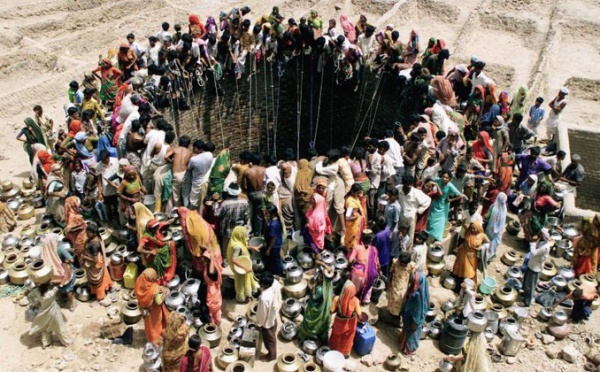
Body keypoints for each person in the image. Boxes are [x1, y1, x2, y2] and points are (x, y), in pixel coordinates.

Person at [27, 277, 71, 349]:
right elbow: (61, 283)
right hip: (54, 312)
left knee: (45, 328)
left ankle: (46, 343)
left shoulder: (36, 292)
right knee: (60, 327)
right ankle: (66, 342)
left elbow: (30, 298)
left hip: (43, 312)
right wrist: (59, 280)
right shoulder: (51, 293)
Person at [213, 183, 249, 266]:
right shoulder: (244, 202)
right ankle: (238, 260)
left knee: (226, 247)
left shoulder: (225, 203)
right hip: (239, 229)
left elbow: (216, 214)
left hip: (227, 230)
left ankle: (225, 261)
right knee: (238, 245)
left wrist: (215, 203)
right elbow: (246, 217)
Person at [298, 261, 334, 343]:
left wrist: (314, 287)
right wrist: (325, 265)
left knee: (309, 320)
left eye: (321, 276)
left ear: (323, 279)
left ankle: (308, 335)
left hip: (315, 307)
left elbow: (314, 297)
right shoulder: (328, 284)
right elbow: (317, 261)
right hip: (322, 307)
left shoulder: (320, 289)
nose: (318, 277)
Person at [41, 233, 77, 311]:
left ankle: (60, 302)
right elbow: (71, 260)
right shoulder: (60, 249)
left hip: (52, 276)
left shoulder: (43, 251)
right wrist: (68, 260)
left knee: (57, 288)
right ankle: (72, 303)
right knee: (68, 289)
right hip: (63, 274)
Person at [137, 219, 177, 285]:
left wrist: (176, 216)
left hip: (162, 248)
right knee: (158, 261)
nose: (156, 230)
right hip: (155, 253)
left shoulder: (157, 227)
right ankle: (162, 279)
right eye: (154, 229)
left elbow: (168, 222)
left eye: (156, 228)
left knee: (171, 244)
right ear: (150, 229)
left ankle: (168, 273)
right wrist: (150, 252)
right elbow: (139, 249)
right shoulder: (146, 236)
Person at [396, 174, 432, 249]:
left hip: (411, 217)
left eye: (410, 185)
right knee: (399, 235)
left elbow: (428, 200)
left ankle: (407, 254)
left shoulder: (416, 193)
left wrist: (418, 211)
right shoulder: (398, 188)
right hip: (400, 216)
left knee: (409, 237)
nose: (409, 187)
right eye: (407, 185)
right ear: (403, 183)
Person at [135, 268, 169, 346]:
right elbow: (159, 302)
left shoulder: (139, 283)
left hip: (144, 310)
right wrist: (163, 293)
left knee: (149, 325)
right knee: (156, 325)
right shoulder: (154, 289)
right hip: (154, 311)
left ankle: (150, 338)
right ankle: (156, 340)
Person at [399, 270, 430, 355]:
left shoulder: (419, 296)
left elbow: (419, 312)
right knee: (407, 330)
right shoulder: (416, 288)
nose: (412, 282)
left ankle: (409, 350)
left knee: (412, 334)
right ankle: (403, 344)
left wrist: (415, 322)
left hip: (414, 319)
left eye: (414, 281)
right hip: (409, 315)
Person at [426, 171, 462, 242]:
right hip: (435, 203)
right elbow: (429, 183)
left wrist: (450, 200)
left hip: (443, 206)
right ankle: (428, 235)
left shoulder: (450, 186)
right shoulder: (437, 180)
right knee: (431, 219)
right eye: (443, 177)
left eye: (447, 178)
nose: (444, 179)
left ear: (450, 179)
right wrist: (433, 193)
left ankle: (437, 237)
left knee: (440, 222)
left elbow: (460, 195)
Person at [329, 280, 361, 357]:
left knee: (336, 336)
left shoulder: (337, 299)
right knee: (347, 339)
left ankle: (333, 348)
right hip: (350, 325)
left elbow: (331, 311)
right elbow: (359, 315)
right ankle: (345, 353)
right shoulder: (356, 301)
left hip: (339, 324)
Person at [452, 221, 489, 288]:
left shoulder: (482, 235)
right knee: (460, 268)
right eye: (471, 228)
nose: (472, 230)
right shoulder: (468, 231)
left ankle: (467, 285)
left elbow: (488, 243)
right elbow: (464, 223)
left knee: (469, 271)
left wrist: (481, 247)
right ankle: (458, 283)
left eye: (474, 228)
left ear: (478, 228)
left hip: (472, 256)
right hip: (462, 252)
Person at [82, 222, 113, 300]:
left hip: (95, 264)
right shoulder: (96, 238)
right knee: (104, 275)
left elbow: (95, 261)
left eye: (88, 233)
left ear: (94, 233)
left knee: (97, 281)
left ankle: (100, 295)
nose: (87, 234)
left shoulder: (94, 244)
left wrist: (84, 256)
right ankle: (107, 287)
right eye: (87, 232)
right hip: (99, 259)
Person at [227, 226, 257, 303]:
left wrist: (253, 247)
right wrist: (245, 268)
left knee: (246, 281)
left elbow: (244, 246)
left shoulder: (235, 240)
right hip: (240, 268)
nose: (245, 235)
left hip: (242, 265)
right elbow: (234, 259)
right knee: (241, 283)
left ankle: (247, 295)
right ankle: (241, 298)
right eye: (243, 233)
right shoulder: (236, 247)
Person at [256, 272, 282, 362]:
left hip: (267, 321)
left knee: (269, 339)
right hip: (274, 313)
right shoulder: (275, 283)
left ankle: (271, 355)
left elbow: (263, 314)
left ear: (265, 285)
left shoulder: (264, 298)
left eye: (260, 283)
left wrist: (259, 324)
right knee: (273, 328)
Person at [348, 230, 379, 304]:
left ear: (361, 238)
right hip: (369, 274)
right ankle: (365, 300)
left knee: (354, 288)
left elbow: (350, 260)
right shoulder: (374, 249)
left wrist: (350, 266)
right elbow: (377, 264)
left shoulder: (357, 247)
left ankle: (353, 300)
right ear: (371, 240)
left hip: (358, 274)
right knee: (369, 287)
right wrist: (378, 272)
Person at [302, 179, 332, 255]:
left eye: (323, 188)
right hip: (316, 233)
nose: (321, 190)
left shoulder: (318, 211)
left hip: (317, 232)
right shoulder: (315, 210)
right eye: (319, 187)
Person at [523, 234, 552, 307]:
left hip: (535, 268)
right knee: (526, 281)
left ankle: (527, 302)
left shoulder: (544, 247)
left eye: (540, 235)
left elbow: (533, 253)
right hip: (531, 265)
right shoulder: (542, 242)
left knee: (531, 286)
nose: (539, 235)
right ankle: (525, 294)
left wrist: (533, 243)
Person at [387, 251, 414, 324]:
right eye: (402, 263)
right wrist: (389, 282)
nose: (403, 265)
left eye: (405, 264)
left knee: (400, 303)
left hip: (404, 288)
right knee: (392, 301)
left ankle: (397, 317)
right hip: (394, 285)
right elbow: (391, 272)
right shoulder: (395, 262)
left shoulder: (411, 266)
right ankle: (392, 315)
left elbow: (412, 277)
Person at [63, 196, 87, 265]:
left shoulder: (68, 214)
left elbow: (67, 230)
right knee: (84, 256)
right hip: (81, 240)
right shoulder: (76, 217)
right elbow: (68, 230)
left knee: (80, 255)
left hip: (75, 240)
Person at [484, 192, 507, 262]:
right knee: (494, 244)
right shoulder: (504, 207)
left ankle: (484, 256)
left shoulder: (493, 207)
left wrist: (484, 217)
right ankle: (491, 255)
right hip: (499, 231)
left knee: (487, 241)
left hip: (490, 229)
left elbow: (487, 217)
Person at [344, 183, 366, 250]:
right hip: (354, 226)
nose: (359, 195)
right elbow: (347, 217)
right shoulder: (351, 203)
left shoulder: (355, 197)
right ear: (352, 192)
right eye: (358, 193)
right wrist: (356, 217)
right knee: (353, 243)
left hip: (358, 224)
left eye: (360, 192)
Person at [264, 204, 283, 275]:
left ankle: (278, 275)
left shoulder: (273, 225)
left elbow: (273, 238)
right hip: (274, 244)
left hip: (274, 246)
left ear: (273, 213)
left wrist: (268, 249)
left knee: (276, 261)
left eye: (267, 212)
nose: (265, 213)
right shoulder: (273, 220)